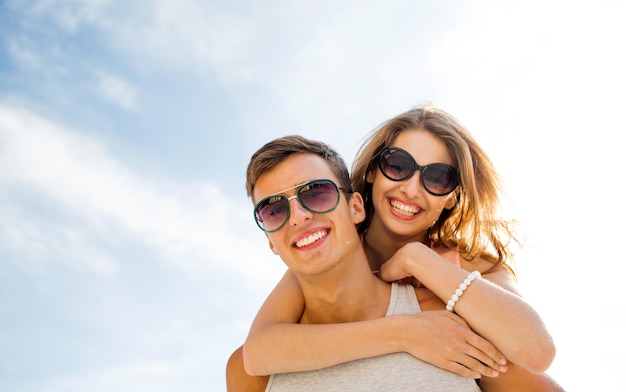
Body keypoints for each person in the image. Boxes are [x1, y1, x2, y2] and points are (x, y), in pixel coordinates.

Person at [226, 104, 563, 391]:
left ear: (452, 198)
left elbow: (536, 350)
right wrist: (405, 332)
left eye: (437, 177)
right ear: (373, 171)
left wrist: (420, 261)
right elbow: (256, 353)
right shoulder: (324, 247)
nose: (411, 189)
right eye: (398, 165)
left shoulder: (466, 272)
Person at [240, 134, 483, 391]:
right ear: (270, 241)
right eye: (273, 211)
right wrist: (402, 332)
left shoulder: (453, 320)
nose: (298, 218)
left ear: (355, 207)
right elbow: (255, 354)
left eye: (316, 193)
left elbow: (530, 352)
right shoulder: (253, 374)